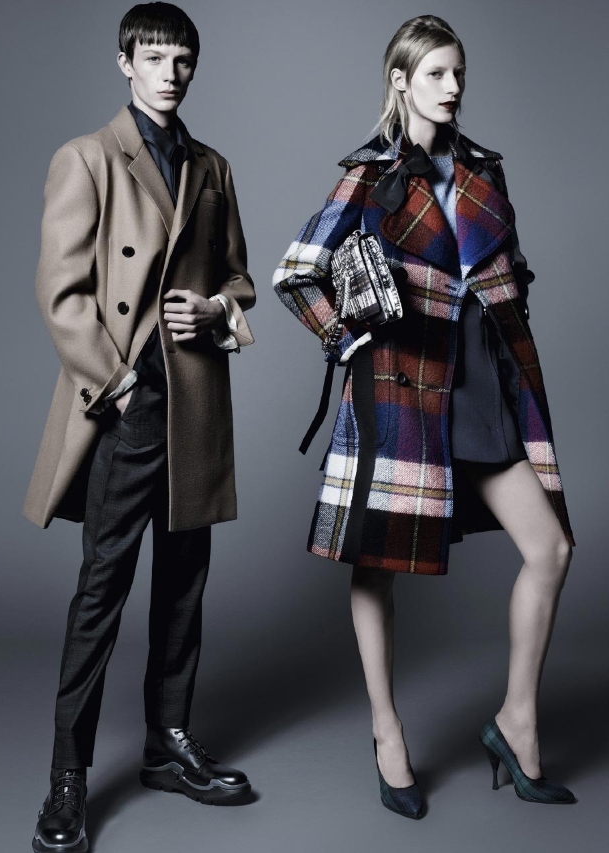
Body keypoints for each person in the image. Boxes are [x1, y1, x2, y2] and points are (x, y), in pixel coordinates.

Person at [273, 14, 575, 819]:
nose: (451, 86)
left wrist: (501, 300)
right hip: (398, 383)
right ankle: (386, 729)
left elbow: (507, 268)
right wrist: (345, 337)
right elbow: (297, 272)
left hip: (480, 378)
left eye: (458, 72)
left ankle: (516, 722)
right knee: (375, 562)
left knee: (550, 548)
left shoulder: (482, 168)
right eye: (435, 73)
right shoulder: (369, 174)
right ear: (399, 82)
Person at [25, 4, 255, 850]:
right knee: (102, 590)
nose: (170, 72)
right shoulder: (87, 157)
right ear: (125, 63)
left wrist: (215, 308)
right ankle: (67, 776)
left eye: (181, 58)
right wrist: (118, 385)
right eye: (154, 57)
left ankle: (168, 744)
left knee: (184, 583)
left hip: (195, 402)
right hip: (126, 405)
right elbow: (61, 292)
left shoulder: (212, 165)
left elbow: (238, 278)